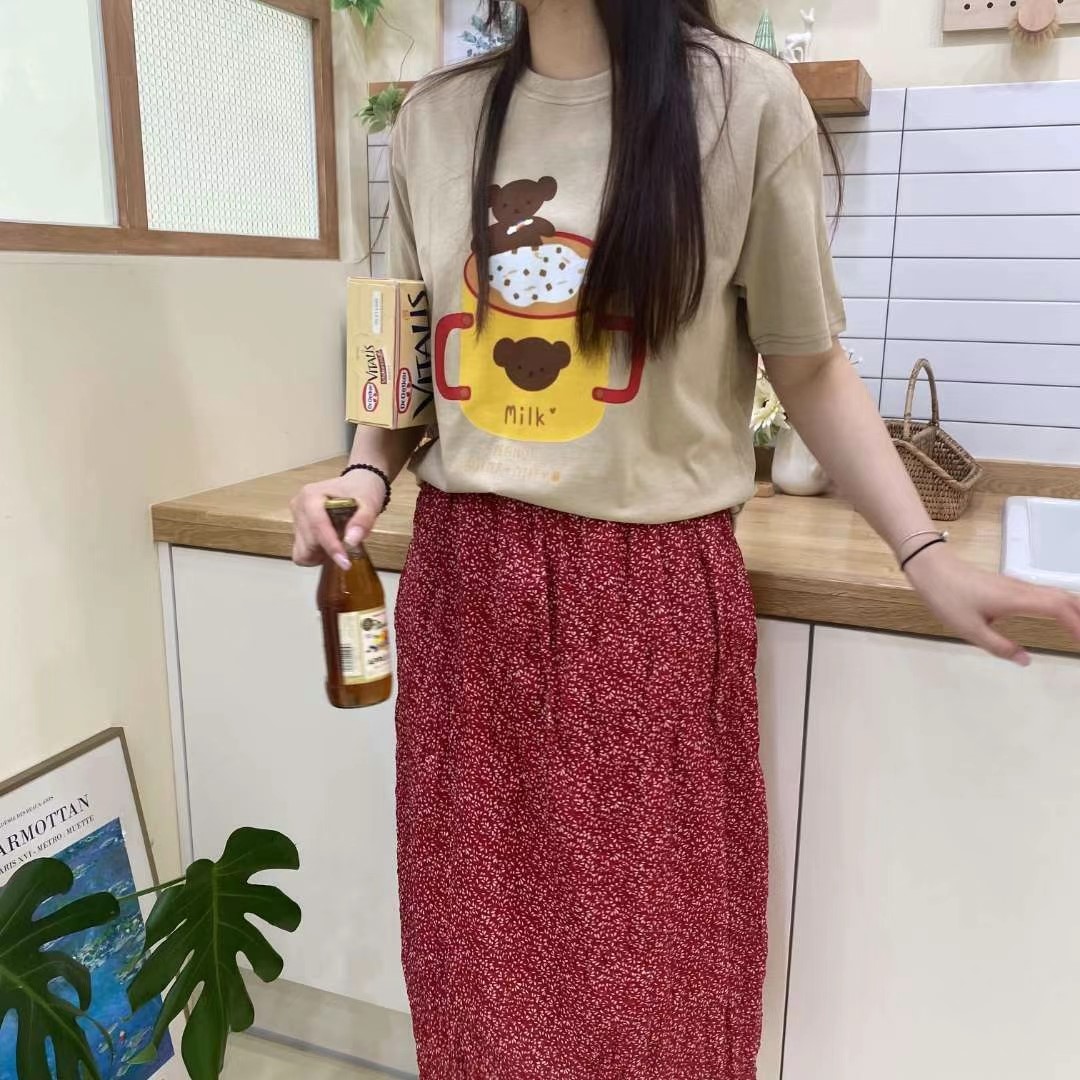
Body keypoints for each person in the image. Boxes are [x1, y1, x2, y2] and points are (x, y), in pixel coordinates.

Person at [291, 2, 1080, 1077]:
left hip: (650, 603)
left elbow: (807, 364)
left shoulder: (743, 102)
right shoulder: (432, 119)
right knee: (477, 977)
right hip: (467, 594)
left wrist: (924, 555)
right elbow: (400, 358)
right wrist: (361, 472)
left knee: (659, 990)